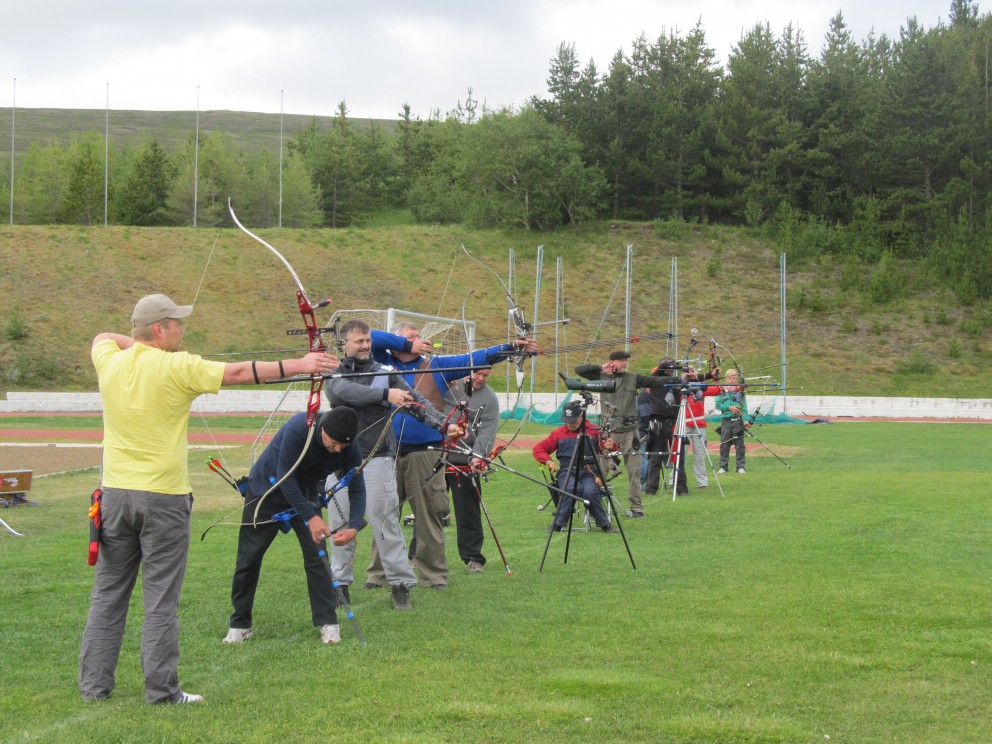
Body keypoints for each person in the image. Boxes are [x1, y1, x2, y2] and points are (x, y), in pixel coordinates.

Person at [81, 293, 338, 704]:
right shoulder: (176, 365)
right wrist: (302, 366)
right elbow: (239, 372)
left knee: (108, 593)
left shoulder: (108, 359)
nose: (183, 329)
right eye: (176, 324)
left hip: (114, 496)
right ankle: (162, 692)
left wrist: (138, 342)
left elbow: (102, 336)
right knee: (161, 598)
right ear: (160, 330)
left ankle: (94, 687)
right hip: (162, 499)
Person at [370, 323, 536, 589]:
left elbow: (474, 359)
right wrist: (405, 345)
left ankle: (434, 577)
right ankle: (378, 576)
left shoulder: (435, 365)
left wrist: (509, 348)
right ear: (395, 342)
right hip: (385, 451)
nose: (418, 340)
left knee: (429, 517)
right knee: (383, 516)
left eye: (417, 336)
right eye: (410, 337)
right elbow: (367, 336)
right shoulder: (380, 362)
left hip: (424, 453)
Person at [324, 319, 455, 610]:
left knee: (385, 523)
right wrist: (385, 396)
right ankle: (340, 584)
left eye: (368, 340)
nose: (366, 346)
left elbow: (416, 401)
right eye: (359, 341)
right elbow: (340, 394)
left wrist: (443, 425)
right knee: (339, 525)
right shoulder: (334, 372)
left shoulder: (387, 372)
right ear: (344, 343)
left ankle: (400, 586)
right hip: (339, 461)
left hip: (377, 457)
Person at [224, 406, 365, 647]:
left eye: (343, 446)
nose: (338, 450)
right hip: (265, 492)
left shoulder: (349, 447)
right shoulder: (298, 429)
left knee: (317, 558)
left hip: (306, 493)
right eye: (333, 443)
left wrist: (353, 527)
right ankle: (240, 624)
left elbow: (357, 486)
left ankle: (328, 623)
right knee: (248, 559)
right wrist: (311, 517)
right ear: (322, 429)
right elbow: (285, 479)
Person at [574, 350, 673, 518]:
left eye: (626, 361)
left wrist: (678, 379)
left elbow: (654, 380)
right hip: (608, 431)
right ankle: (594, 506)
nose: (625, 364)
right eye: (621, 361)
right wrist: (601, 367)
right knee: (600, 469)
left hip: (629, 431)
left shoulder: (633, 377)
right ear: (612, 362)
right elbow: (579, 370)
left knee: (634, 470)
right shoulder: (600, 376)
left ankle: (636, 507)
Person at [442, 367, 500, 573]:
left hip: (465, 461)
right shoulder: (448, 386)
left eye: (485, 376)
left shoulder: (490, 398)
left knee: (468, 511)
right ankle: (417, 554)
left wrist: (478, 456)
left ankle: (473, 557)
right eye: (478, 374)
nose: (481, 379)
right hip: (437, 457)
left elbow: (487, 430)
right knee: (429, 509)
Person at [532, 400, 620, 533]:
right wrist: (548, 461)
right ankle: (558, 524)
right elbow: (539, 449)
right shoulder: (558, 433)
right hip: (567, 471)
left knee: (590, 492)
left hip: (589, 471)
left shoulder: (594, 431)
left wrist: (610, 445)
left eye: (573, 420)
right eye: (568, 420)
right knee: (570, 489)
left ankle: (604, 524)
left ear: (581, 416)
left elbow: (609, 451)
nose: (571, 424)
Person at [643, 358, 718, 497]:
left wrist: (708, 376)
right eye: (670, 368)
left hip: (675, 422)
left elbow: (694, 381)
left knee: (679, 456)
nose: (672, 371)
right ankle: (651, 489)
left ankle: (681, 488)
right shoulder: (654, 380)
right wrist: (676, 369)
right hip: (658, 422)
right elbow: (659, 372)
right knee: (656, 456)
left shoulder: (676, 380)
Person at [683, 366, 721, 489]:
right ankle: (675, 479)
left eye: (693, 371)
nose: (692, 373)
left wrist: (715, 378)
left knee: (700, 455)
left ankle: (702, 482)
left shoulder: (701, 388)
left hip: (699, 426)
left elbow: (719, 390)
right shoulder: (680, 386)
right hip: (684, 425)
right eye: (689, 371)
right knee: (680, 454)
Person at [716, 368, 750, 474]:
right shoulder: (722, 391)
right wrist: (729, 408)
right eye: (729, 378)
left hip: (738, 421)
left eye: (733, 378)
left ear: (736, 379)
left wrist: (745, 420)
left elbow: (744, 408)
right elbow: (718, 405)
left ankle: (740, 466)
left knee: (739, 444)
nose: (731, 380)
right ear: (726, 379)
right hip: (726, 420)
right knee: (724, 444)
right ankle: (723, 466)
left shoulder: (740, 391)